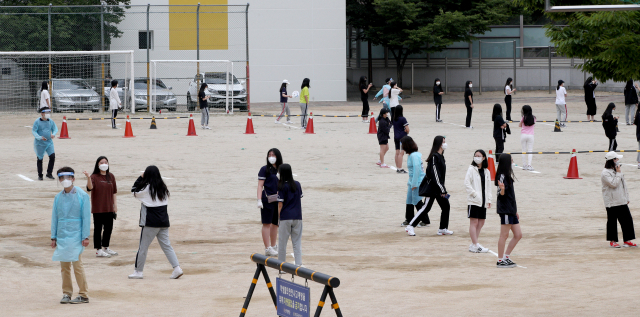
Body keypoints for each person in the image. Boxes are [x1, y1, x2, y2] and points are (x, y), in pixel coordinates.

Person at [129, 166, 183, 280]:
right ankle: (177, 268)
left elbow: (134, 190)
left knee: (143, 247)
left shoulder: (147, 189)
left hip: (151, 223)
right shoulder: (163, 188)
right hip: (163, 222)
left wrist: (140, 177)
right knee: (167, 246)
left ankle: (138, 271)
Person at [51, 167, 91, 304]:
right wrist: (53, 237)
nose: (65, 180)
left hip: (76, 235)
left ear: (73, 178)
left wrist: (85, 236)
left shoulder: (82, 195)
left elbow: (86, 217)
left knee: (77, 265)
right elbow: (55, 218)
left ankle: (83, 294)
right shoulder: (58, 197)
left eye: (68, 177)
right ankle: (66, 293)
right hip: (62, 235)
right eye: (62, 178)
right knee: (64, 266)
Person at [405, 136, 452, 236]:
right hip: (433, 188)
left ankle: (443, 228)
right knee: (426, 208)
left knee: (446, 206)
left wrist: (442, 189)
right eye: (443, 142)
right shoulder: (434, 157)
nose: (445, 143)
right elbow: (435, 175)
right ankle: (410, 226)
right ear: (439, 144)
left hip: (439, 188)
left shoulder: (441, 157)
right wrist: (443, 190)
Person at [83, 156, 118, 258]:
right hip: (98, 208)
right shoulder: (94, 177)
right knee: (98, 229)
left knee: (108, 228)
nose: (104, 164)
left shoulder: (111, 176)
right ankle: (98, 250)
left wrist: (115, 206)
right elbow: (90, 188)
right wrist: (88, 178)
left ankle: (106, 247)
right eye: (101, 162)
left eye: (106, 162)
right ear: (98, 165)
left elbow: (114, 192)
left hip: (109, 207)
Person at [601, 151, 636, 248]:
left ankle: (627, 240)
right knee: (612, 221)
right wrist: (618, 173)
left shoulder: (617, 170)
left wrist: (626, 197)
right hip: (611, 202)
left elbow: (624, 185)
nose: (618, 160)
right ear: (612, 160)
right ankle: (612, 241)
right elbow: (613, 184)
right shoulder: (605, 173)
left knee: (627, 220)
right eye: (616, 159)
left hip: (621, 200)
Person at [495, 154, 521, 268]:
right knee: (504, 235)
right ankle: (500, 260)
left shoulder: (508, 176)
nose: (513, 162)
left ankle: (506, 257)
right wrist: (502, 190)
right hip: (505, 209)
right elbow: (499, 194)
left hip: (511, 209)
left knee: (518, 234)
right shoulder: (501, 176)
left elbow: (512, 196)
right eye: (511, 160)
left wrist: (515, 210)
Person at [464, 150, 492, 253]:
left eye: (479, 156)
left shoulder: (487, 171)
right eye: (475, 156)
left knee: (481, 222)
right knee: (474, 222)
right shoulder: (471, 169)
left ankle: (473, 243)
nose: (477, 157)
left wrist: (489, 199)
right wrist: (474, 194)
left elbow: (488, 187)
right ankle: (475, 244)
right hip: (474, 201)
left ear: (484, 158)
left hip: (483, 201)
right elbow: (467, 183)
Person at [277, 164, 303, 266]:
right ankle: (298, 265)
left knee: (282, 243)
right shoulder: (297, 184)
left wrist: (278, 218)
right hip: (297, 216)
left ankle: (281, 266)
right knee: (297, 242)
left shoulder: (282, 186)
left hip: (285, 217)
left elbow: (280, 204)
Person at [257, 148, 283, 256]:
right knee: (266, 223)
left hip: (278, 199)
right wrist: (259, 199)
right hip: (267, 199)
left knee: (275, 224)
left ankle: (273, 246)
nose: (271, 157)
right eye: (269, 155)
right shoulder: (264, 169)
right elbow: (260, 185)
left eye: (273, 155)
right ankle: (267, 248)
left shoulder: (281, 169)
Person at [400, 136, 429, 229]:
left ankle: (425, 220)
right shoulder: (411, 155)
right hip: (412, 180)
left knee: (417, 201)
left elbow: (417, 170)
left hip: (417, 181)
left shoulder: (414, 156)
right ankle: (409, 218)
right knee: (409, 200)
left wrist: (414, 184)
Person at [33, 106, 58, 181]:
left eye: (49, 112)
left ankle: (49, 173)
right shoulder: (37, 121)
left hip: (49, 142)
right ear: (42, 113)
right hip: (40, 143)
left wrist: (53, 134)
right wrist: (40, 137)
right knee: (40, 158)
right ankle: (40, 175)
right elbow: (34, 131)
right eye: (46, 113)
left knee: (52, 156)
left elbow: (55, 129)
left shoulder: (50, 121)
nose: (48, 114)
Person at [519, 105, 536, 171]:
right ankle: (529, 165)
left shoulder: (523, 117)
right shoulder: (534, 117)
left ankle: (524, 165)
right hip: (531, 135)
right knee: (530, 150)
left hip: (523, 134)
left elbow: (520, 125)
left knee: (523, 150)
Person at [392, 105, 409, 174]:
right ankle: (400, 168)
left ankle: (397, 167)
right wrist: (406, 131)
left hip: (396, 136)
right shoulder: (403, 119)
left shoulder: (394, 119)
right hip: (402, 137)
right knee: (401, 153)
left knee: (397, 152)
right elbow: (407, 129)